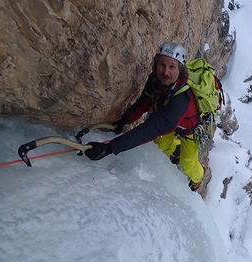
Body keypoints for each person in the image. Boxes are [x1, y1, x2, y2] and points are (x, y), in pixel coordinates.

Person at [84, 42, 205, 191]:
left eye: (172, 67)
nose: (165, 72)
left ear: (180, 69)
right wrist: (125, 120)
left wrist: (111, 147)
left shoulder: (182, 98)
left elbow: (153, 128)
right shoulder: (155, 80)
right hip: (169, 122)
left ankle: (199, 176)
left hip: (189, 128)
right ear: (155, 64)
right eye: (162, 65)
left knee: (188, 164)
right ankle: (178, 149)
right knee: (162, 145)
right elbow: (144, 102)